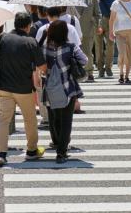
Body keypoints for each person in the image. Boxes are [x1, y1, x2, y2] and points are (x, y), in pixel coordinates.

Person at [0, 12, 46, 167]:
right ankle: (31, 150)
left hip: (3, 87)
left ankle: (1, 153)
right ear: (28, 26)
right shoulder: (30, 42)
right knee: (30, 119)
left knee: (3, 119)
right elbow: (42, 65)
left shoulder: (2, 38)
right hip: (24, 89)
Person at [41, 20, 86, 163]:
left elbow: (37, 64)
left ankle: (57, 142)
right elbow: (84, 60)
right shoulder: (71, 48)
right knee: (67, 120)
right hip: (68, 88)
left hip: (50, 88)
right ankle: (61, 152)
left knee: (54, 118)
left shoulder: (44, 48)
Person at [70, 0, 100, 81]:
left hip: (88, 28)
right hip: (74, 30)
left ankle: (89, 72)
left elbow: (98, 14)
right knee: (75, 51)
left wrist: (97, 25)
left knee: (88, 51)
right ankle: (77, 72)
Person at [93, 0, 116, 78]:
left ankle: (108, 67)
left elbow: (115, 8)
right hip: (98, 20)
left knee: (111, 45)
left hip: (109, 19)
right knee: (98, 45)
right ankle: (100, 68)